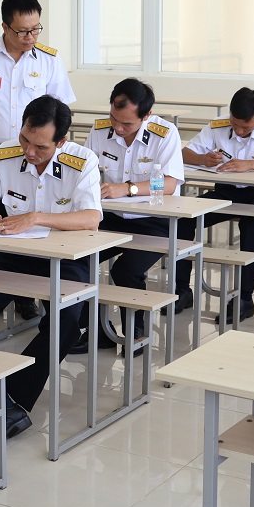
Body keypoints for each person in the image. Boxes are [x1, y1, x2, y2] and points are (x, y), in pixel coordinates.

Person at [0, 96, 101, 448]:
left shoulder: (82, 161)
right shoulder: (6, 153)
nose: (29, 152)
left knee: (65, 321)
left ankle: (15, 400)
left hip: (68, 259)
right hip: (18, 256)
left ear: (61, 142)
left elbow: (91, 217)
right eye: (25, 140)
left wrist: (35, 217)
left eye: (41, 147)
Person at [0, 0, 75, 321]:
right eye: (23, 31)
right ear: (5, 26)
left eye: (36, 29)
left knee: (27, 218)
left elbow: (62, 112)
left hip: (33, 153)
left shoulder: (48, 60)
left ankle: (25, 295)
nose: (30, 37)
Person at [174, 87, 254, 322]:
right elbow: (185, 153)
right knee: (184, 220)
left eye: (245, 128)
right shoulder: (217, 125)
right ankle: (182, 289)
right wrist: (203, 159)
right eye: (235, 124)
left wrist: (249, 164)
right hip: (226, 191)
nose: (239, 131)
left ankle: (244, 299)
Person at [82, 77, 183, 347]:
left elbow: (170, 184)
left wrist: (129, 188)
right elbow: (83, 170)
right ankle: (96, 332)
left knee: (126, 271)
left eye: (126, 124)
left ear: (146, 116)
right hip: (112, 219)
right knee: (79, 262)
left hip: (154, 222)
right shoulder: (100, 129)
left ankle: (136, 332)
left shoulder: (165, 133)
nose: (117, 128)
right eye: (114, 119)